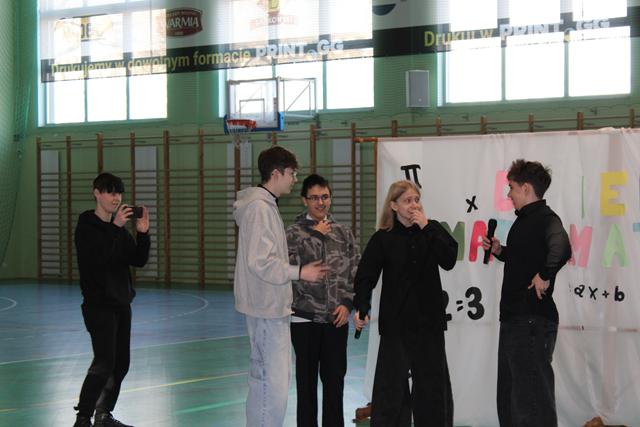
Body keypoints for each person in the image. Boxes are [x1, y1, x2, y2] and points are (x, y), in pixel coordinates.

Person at [233, 146, 329, 427]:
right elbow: (260, 261)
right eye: (291, 173)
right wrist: (300, 272)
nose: (294, 179)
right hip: (265, 308)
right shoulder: (259, 209)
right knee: (271, 387)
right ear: (276, 173)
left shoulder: (265, 206)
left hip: (271, 308)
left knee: (268, 382)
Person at [352, 180, 458, 427]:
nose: (414, 205)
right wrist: (362, 307)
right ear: (394, 205)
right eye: (407, 200)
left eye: (416, 200)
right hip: (396, 325)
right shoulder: (383, 238)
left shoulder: (432, 230)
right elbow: (366, 276)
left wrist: (427, 227)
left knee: (432, 387)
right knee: (391, 388)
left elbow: (449, 259)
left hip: (429, 324)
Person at [482, 159, 571, 427]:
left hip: (530, 320)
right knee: (513, 397)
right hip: (517, 319)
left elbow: (562, 247)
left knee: (531, 400)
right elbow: (524, 258)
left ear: (525, 188)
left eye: (511, 187)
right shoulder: (525, 221)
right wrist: (500, 251)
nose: (508, 194)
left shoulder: (545, 218)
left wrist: (545, 274)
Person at [73, 172, 150, 427]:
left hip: (121, 304)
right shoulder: (87, 225)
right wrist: (115, 227)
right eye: (110, 192)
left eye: (118, 192)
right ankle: (83, 417)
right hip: (98, 306)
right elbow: (98, 259)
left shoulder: (119, 230)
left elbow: (138, 259)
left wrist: (143, 234)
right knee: (104, 362)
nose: (116, 197)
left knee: (121, 364)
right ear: (96, 193)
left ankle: (103, 414)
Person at [286, 174, 361, 427]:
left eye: (325, 197)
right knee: (306, 385)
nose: (321, 203)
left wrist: (348, 304)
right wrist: (313, 236)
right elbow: (285, 268)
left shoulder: (343, 233)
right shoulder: (293, 233)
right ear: (304, 200)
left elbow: (355, 272)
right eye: (314, 198)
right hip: (304, 319)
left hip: (335, 321)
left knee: (334, 384)